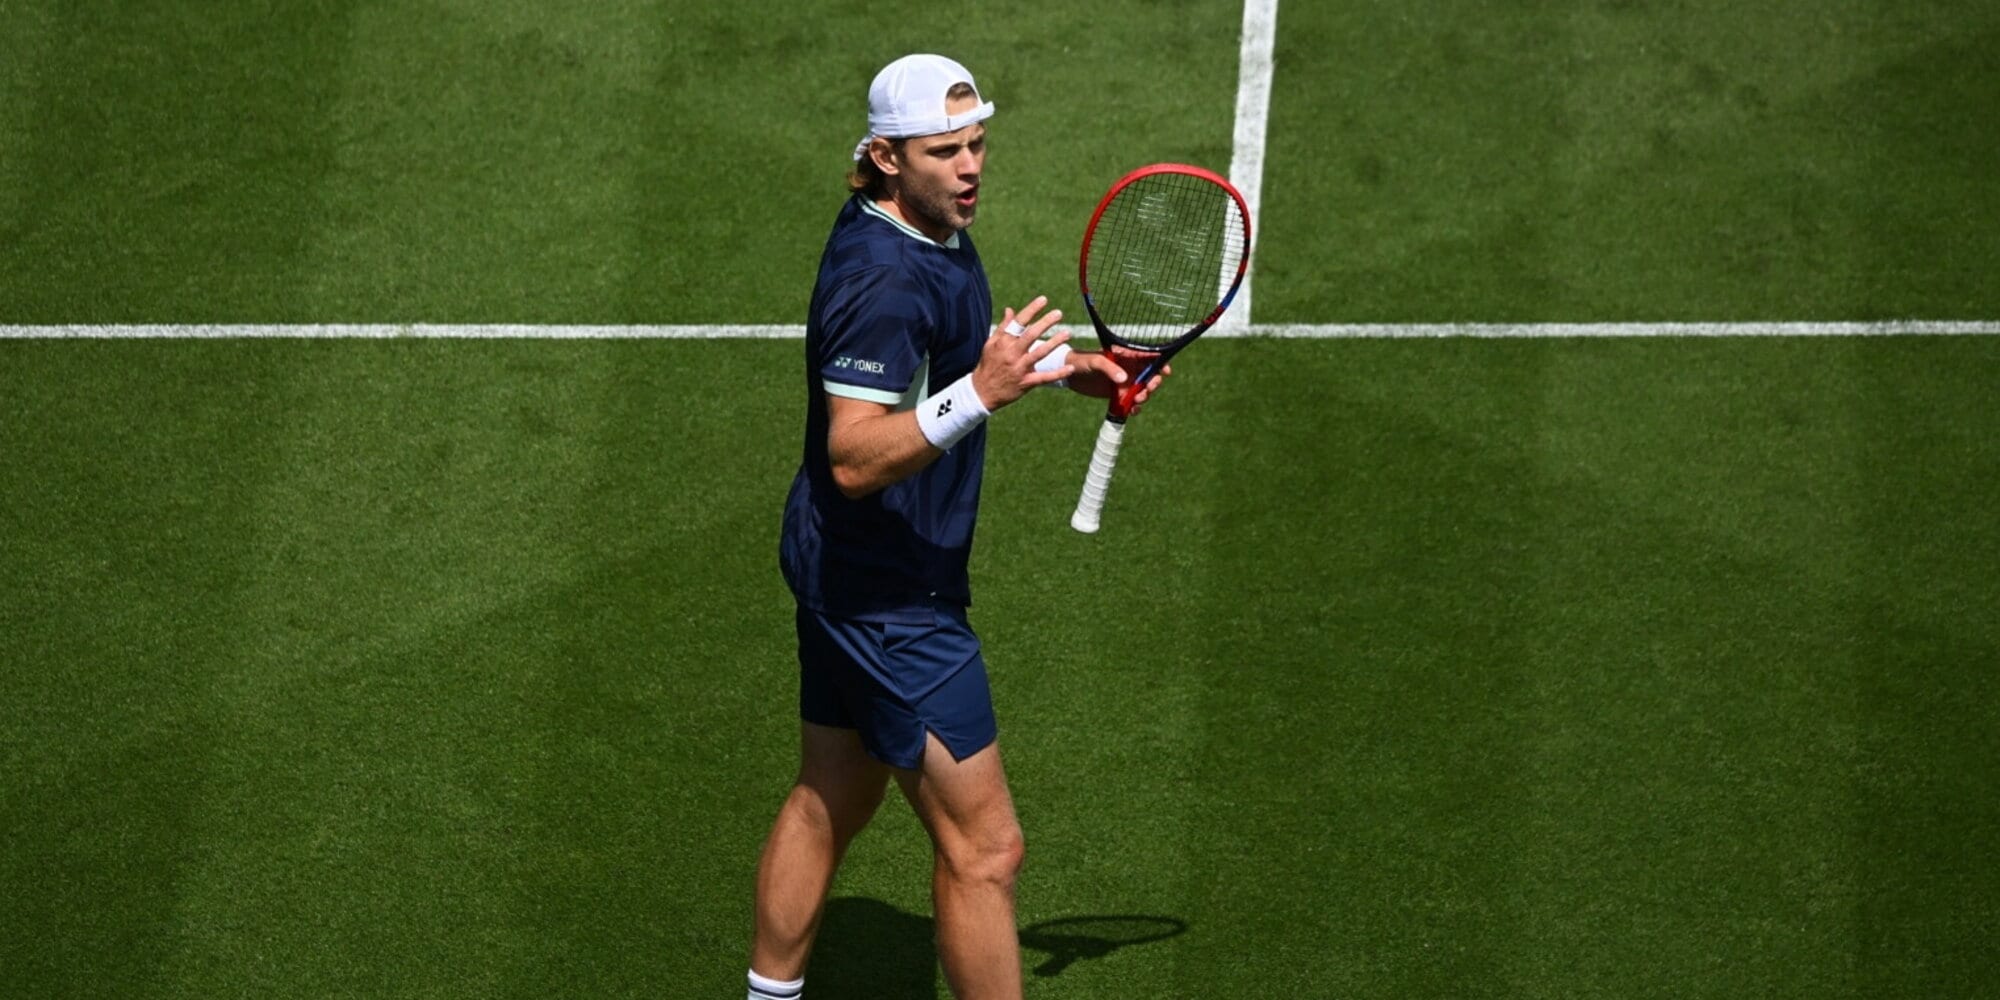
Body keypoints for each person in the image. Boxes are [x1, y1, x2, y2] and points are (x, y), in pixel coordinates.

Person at [749, 54, 1165, 1000]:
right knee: (986, 850)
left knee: (833, 792)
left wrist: (1059, 369)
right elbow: (853, 456)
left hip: (839, 561)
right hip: (888, 593)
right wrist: (983, 393)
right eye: (944, 152)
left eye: (977, 144)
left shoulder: (922, 224)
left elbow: (943, 362)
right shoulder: (884, 281)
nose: (970, 166)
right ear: (886, 157)